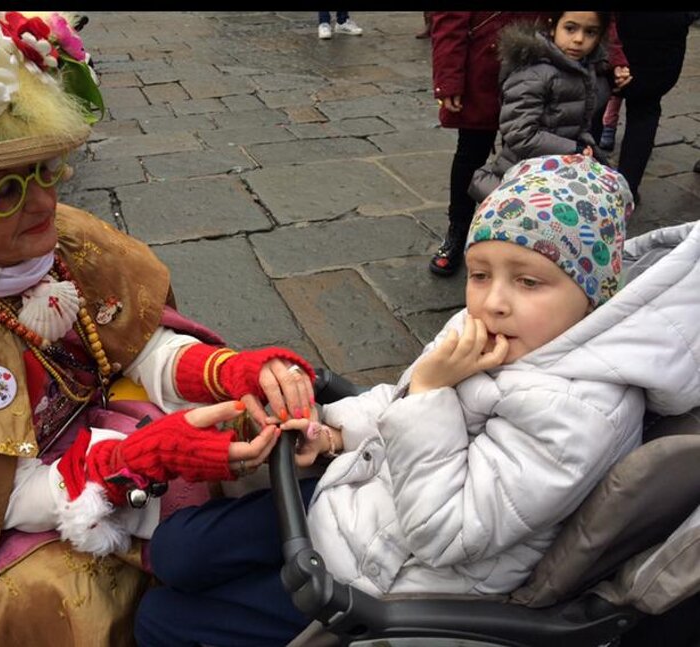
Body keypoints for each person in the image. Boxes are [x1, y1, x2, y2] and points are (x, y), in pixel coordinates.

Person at [0, 11, 317, 645]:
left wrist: (224, 370)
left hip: (114, 429)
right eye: (6, 192)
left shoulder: (62, 239)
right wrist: (127, 464)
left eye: (45, 170)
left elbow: (135, 343)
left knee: (257, 427)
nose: (46, 202)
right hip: (16, 514)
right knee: (74, 602)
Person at [135, 154, 700, 646]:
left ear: (594, 293)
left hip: (388, 579)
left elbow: (446, 530)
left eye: (529, 282)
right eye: (480, 274)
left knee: (161, 618)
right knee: (176, 549)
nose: (493, 302)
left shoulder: (579, 412)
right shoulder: (505, 332)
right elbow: (398, 401)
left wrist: (430, 391)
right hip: (364, 502)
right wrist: (335, 432)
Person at [468, 12, 632, 202]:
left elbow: (581, 111)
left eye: (590, 32)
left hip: (558, 174)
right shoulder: (533, 73)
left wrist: (611, 80)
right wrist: (575, 149)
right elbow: (520, 134)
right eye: (570, 28)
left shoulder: (585, 68)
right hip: (525, 177)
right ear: (553, 26)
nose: (579, 39)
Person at [428, 11, 545, 277]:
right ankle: (459, 228)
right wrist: (449, 79)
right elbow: (450, 21)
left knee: (531, 157)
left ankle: (522, 232)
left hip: (540, 66)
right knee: (471, 153)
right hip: (484, 67)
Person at [614, 12, 693, 204]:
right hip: (662, 34)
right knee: (644, 110)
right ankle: (626, 191)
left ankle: (586, 180)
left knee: (594, 101)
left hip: (624, 29)